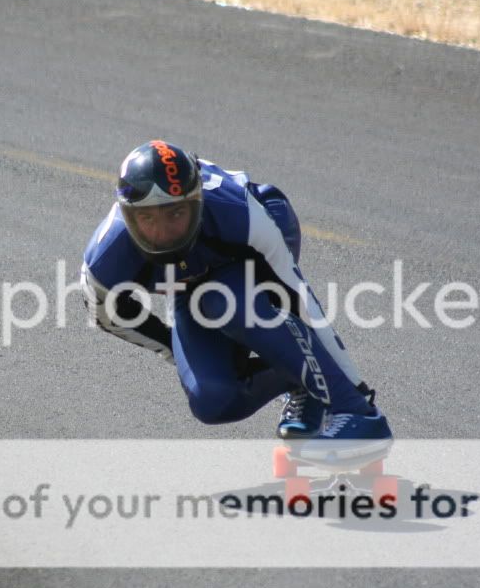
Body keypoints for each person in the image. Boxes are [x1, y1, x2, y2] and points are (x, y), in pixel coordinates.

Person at [80, 140, 392, 444]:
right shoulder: (105, 260)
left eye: (176, 214)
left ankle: (356, 414)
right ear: (128, 216)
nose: (162, 234)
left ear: (197, 202)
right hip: (192, 286)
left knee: (224, 303)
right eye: (147, 219)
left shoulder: (239, 215)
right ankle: (301, 381)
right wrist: (173, 348)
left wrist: (356, 397)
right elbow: (109, 316)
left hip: (264, 234)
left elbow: (301, 302)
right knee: (212, 400)